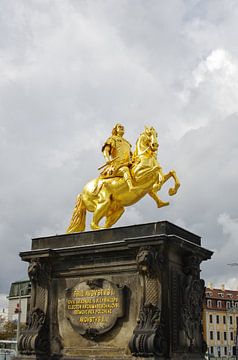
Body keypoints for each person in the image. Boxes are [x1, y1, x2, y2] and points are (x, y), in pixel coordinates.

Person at [100, 123, 137, 191]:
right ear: (116, 130)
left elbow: (131, 155)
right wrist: (107, 159)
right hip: (117, 165)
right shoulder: (112, 139)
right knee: (125, 170)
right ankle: (131, 187)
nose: (122, 128)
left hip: (128, 164)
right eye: (119, 127)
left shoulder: (127, 143)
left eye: (123, 127)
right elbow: (106, 150)